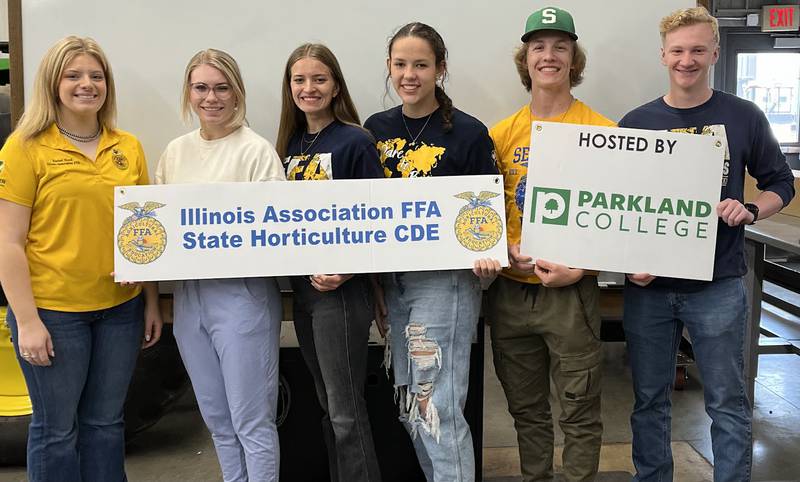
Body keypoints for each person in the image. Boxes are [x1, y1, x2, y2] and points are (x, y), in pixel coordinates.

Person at [620, 7, 795, 482]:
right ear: (663, 55)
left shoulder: (743, 116)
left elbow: (781, 182)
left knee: (726, 402)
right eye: (678, 50)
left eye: (698, 50)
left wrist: (753, 209)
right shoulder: (635, 122)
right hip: (649, 289)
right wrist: (629, 263)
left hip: (716, 284)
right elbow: (619, 210)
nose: (687, 60)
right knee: (649, 401)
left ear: (715, 53)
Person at [0, 36, 162, 482]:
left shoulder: (127, 146)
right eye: (73, 75)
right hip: (54, 314)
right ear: (53, 83)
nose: (86, 84)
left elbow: (143, 234)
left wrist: (150, 300)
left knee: (106, 426)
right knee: (56, 430)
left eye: (96, 75)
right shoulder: (25, 148)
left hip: (119, 312)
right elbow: (8, 242)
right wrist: (27, 321)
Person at [364, 22, 501, 482]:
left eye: (421, 64)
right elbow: (366, 213)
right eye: (400, 64)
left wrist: (486, 251)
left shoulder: (469, 133)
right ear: (389, 67)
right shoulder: (375, 130)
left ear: (440, 69)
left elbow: (486, 214)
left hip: (446, 283)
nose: (410, 74)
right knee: (412, 406)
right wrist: (376, 283)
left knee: (437, 406)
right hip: (395, 283)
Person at [487, 7, 615, 482]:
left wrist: (580, 268)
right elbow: (482, 215)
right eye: (538, 46)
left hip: (570, 295)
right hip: (510, 292)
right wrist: (503, 247)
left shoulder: (603, 133)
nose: (549, 55)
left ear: (573, 58)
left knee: (580, 409)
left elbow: (617, 223)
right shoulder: (499, 135)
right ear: (526, 59)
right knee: (526, 408)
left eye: (560, 46)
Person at [154, 49, 285, 482]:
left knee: (252, 422)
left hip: (242, 296)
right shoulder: (174, 152)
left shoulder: (256, 151)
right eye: (201, 88)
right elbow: (160, 229)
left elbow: (276, 233)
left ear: (237, 92)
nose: (211, 98)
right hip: (191, 299)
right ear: (189, 93)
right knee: (219, 422)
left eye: (221, 87)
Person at [275, 43, 382, 482]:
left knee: (345, 410)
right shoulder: (288, 144)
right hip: (304, 294)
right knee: (328, 406)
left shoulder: (355, 141)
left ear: (335, 85)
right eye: (299, 80)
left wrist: (352, 269)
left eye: (318, 79)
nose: (308, 88)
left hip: (341, 295)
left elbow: (380, 218)